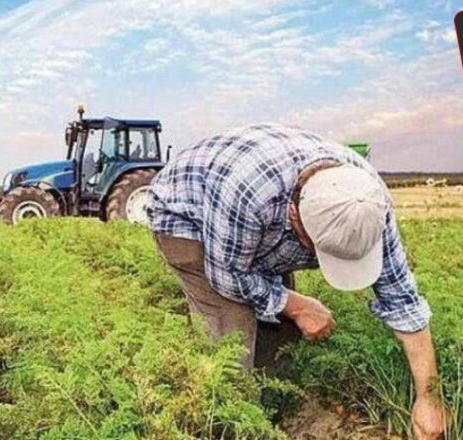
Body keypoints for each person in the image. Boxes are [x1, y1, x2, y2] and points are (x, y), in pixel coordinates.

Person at [147, 123, 445, 440]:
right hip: (187, 217)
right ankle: (229, 424)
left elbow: (403, 300)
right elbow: (228, 276)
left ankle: (274, 409)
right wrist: (296, 304)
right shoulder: (250, 195)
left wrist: (429, 397)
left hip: (255, 221)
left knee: (280, 330)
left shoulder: (368, 202)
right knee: (231, 338)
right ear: (294, 217)